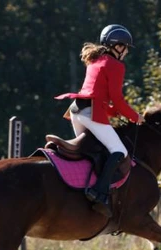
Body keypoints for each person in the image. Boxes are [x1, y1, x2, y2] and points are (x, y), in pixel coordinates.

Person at [55, 24, 144, 218]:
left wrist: (116, 112)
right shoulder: (116, 65)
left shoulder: (95, 60)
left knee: (92, 149)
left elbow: (98, 95)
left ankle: (79, 190)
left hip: (77, 111)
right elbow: (117, 98)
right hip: (90, 113)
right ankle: (99, 193)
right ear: (115, 46)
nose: (127, 51)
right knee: (119, 152)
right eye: (125, 46)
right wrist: (135, 116)